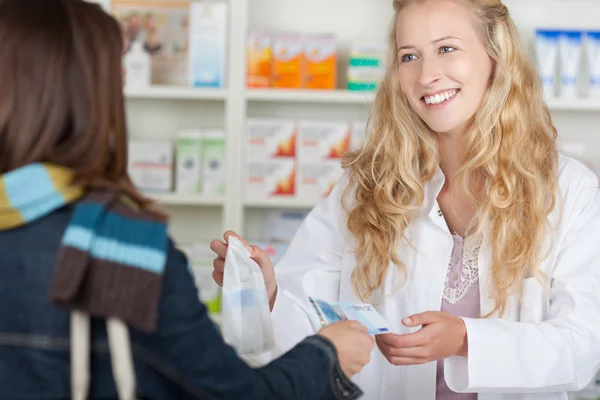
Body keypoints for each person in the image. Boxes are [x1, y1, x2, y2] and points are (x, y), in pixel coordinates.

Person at [211, 0, 600, 399]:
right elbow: (315, 330)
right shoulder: (368, 186)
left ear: (495, 57)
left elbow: (583, 345)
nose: (427, 75)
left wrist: (466, 340)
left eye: (446, 49)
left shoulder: (567, 191)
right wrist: (268, 292)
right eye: (409, 56)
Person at [0, 0, 375, 399]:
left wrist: (272, 296)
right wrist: (326, 356)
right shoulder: (123, 253)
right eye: (117, 80)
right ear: (89, 99)